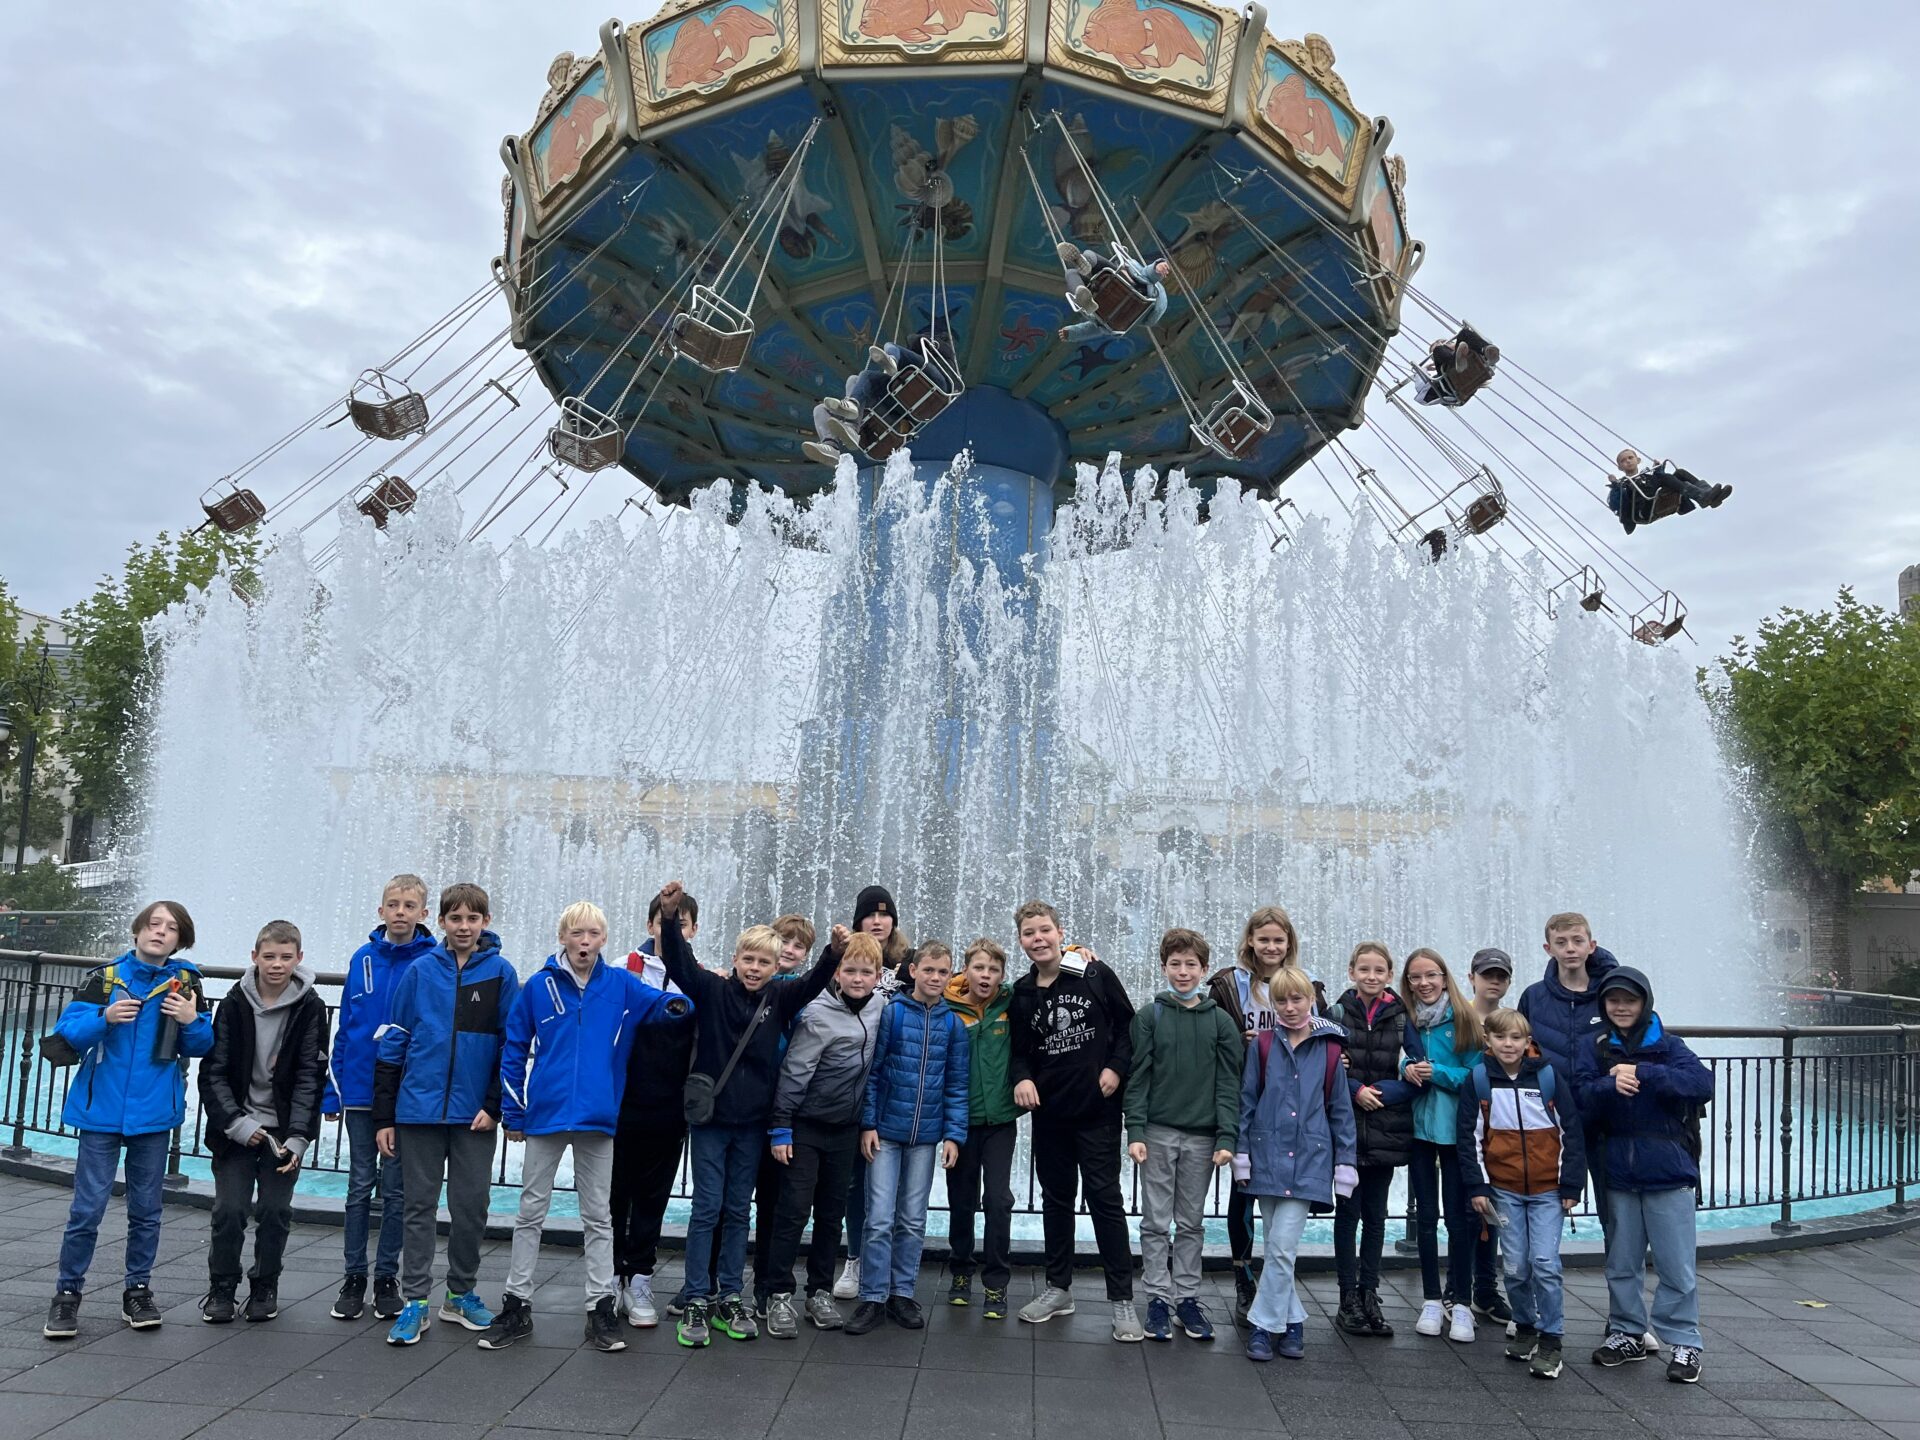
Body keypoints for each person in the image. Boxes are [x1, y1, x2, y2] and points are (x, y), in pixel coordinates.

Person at [483, 902, 692, 1354]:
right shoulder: (539, 987)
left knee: (599, 1216)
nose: (584, 941)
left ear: (603, 940)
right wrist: (514, 1112)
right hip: (546, 1115)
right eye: (577, 933)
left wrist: (681, 1002)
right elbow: (514, 1049)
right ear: (563, 937)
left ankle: (599, 1306)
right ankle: (517, 1303)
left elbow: (663, 1003)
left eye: (593, 934)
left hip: (599, 1117)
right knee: (530, 1212)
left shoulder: (620, 984)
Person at [653, 880, 839, 1348]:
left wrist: (835, 952)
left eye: (764, 962)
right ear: (735, 959)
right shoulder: (711, 989)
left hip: (753, 1123)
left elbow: (815, 981)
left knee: (738, 1210)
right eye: (748, 960)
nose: (755, 969)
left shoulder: (780, 998)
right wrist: (672, 915)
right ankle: (698, 1296)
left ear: (777, 968)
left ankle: (731, 1295)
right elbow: (677, 961)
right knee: (707, 1209)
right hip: (713, 1122)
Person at [43, 901, 212, 1340]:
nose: (160, 932)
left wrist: (192, 1021)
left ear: (181, 939)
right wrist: (105, 1017)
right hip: (101, 1113)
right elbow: (67, 1035)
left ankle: (137, 1291)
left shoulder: (187, 982)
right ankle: (67, 1295)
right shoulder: (104, 979)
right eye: (153, 924)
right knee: (86, 1209)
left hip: (153, 1116)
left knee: (147, 1211)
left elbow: (203, 1043)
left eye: (171, 928)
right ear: (137, 932)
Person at [373, 883, 521, 1345]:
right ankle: (415, 1301)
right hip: (417, 1111)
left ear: (486, 922)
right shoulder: (420, 971)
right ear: (439, 922)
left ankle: (460, 1293)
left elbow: (508, 1047)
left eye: (472, 919)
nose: (463, 927)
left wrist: (494, 1106)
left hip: (474, 1116)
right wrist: (384, 1116)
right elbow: (393, 1040)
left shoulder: (501, 973)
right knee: (417, 1207)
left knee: (471, 1207)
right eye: (454, 918)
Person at [1009, 900, 1141, 1340]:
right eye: (1029, 933)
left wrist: (1116, 1068)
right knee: (1056, 1200)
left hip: (1098, 1111)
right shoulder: (1023, 991)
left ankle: (1122, 1301)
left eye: (1044, 930)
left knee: (1106, 1201)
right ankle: (1058, 1288)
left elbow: (1127, 1027)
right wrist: (1023, 1078)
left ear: (1060, 931)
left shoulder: (1092, 973)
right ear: (1022, 940)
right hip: (1050, 1114)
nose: (1038, 939)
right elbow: (1019, 1051)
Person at [1579, 967, 1712, 1384]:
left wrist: (1644, 1073)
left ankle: (1685, 1341)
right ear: (1603, 1004)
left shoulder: (1669, 1046)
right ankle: (1627, 1331)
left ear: (1644, 1003)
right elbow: (1579, 1094)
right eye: (1613, 1000)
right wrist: (1608, 1084)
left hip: (1669, 1170)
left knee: (1676, 1264)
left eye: (1629, 1000)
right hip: (1617, 1169)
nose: (1621, 1007)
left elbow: (1701, 1084)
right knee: (1622, 1261)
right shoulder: (1595, 1046)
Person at [199, 919, 329, 1324]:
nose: (276, 964)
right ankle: (221, 1286)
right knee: (230, 1210)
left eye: (285, 957)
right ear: (254, 957)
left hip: (283, 1134)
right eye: (269, 956)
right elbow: (213, 1072)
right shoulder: (234, 1003)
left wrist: (299, 1137)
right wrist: (235, 1123)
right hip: (236, 1129)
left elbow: (311, 1076)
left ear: (299, 959)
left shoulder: (311, 1008)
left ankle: (264, 1285)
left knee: (275, 1211)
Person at [323, 873, 436, 1323]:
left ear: (424, 914)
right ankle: (354, 1277)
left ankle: (387, 1276)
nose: (401, 912)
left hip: (406, 1096)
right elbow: (347, 1028)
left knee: (396, 1189)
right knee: (357, 1186)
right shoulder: (363, 959)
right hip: (360, 1092)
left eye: (410, 905)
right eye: (394, 904)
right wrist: (334, 1093)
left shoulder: (433, 962)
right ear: (381, 910)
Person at [762, 935, 884, 1338]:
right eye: (850, 970)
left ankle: (819, 1292)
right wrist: (781, 1127)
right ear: (836, 972)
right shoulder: (817, 1013)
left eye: (866, 972)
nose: (857, 978)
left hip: (845, 1130)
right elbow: (794, 1073)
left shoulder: (881, 1007)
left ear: (878, 976)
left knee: (832, 1216)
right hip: (806, 1125)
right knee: (794, 1210)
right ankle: (778, 1294)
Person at [1236, 966, 1357, 1362]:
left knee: (1283, 1248)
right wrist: (1242, 1153)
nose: (1290, 1007)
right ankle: (1293, 1320)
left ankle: (1262, 1325)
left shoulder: (1330, 1050)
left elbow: (1341, 1111)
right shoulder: (1263, 1045)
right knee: (1275, 1248)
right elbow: (1247, 1102)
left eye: (1297, 999)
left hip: (1309, 1160)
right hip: (1267, 1157)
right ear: (1273, 1005)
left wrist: (1345, 1163)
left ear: (1311, 1000)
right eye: (1281, 1001)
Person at [846, 944, 969, 1335]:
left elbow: (957, 1083)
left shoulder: (953, 1024)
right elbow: (874, 1072)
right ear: (913, 971)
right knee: (879, 1217)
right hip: (885, 1133)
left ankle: (901, 1293)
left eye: (943, 972)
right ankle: (872, 1296)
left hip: (925, 1137)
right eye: (929, 970)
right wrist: (868, 1124)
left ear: (950, 977)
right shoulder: (893, 1013)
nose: (935, 978)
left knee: (913, 1220)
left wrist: (953, 1134)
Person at [1126, 927, 1241, 1343]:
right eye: (1175, 964)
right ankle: (1158, 1298)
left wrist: (1227, 1137)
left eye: (1191, 964)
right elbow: (1137, 1078)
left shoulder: (1221, 1023)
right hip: (1156, 1132)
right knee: (1155, 1221)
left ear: (1204, 969)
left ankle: (1187, 1299)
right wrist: (1135, 1129)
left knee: (1191, 1223)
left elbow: (1229, 1084)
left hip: (1202, 1138)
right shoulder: (1149, 1016)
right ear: (1163, 967)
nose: (1183, 971)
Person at [1458, 1008, 1586, 1379]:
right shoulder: (1480, 1079)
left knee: (1545, 1263)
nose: (1509, 1045)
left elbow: (1571, 1132)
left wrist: (1571, 1184)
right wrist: (1478, 1187)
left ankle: (1551, 1339)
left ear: (1527, 1041)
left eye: (1516, 1038)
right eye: (1501, 1038)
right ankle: (1526, 1327)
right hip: (1504, 1191)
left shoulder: (1546, 1076)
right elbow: (1470, 1138)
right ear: (1489, 1041)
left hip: (1548, 1191)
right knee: (1515, 1267)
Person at [1206, 905, 1314, 1324]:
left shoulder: (1305, 986)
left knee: (1281, 1193)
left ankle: (1275, 1279)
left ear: (1289, 944)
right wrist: (1238, 1039)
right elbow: (1211, 1036)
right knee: (1242, 1189)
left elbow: (1317, 1033)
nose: (1271, 946)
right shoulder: (1229, 985)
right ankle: (1243, 1277)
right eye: (1263, 938)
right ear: (1250, 940)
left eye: (1278, 940)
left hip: (1289, 1105)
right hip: (1242, 1099)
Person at [613, 888, 700, 1327]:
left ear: (694, 930)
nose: (673, 929)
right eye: (667, 921)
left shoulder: (701, 979)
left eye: (682, 923)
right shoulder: (620, 971)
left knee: (652, 1195)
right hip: (620, 1104)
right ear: (651, 925)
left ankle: (641, 1275)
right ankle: (612, 1277)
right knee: (613, 1196)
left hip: (669, 1108)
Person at [1327, 941, 1421, 1340]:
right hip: (1347, 1128)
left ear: (1388, 974)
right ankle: (1347, 1297)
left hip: (1385, 1127)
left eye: (1378, 970)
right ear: (1351, 972)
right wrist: (1353, 1089)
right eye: (1363, 969)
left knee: (1377, 1218)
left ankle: (1370, 1293)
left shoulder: (1402, 1017)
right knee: (1347, 1216)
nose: (1370, 976)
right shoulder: (1334, 1012)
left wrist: (1379, 1093)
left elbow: (1417, 1074)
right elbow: (1324, 1065)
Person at [1397, 948, 1487, 1343]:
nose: (1424, 984)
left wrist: (1438, 1073)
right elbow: (1392, 1059)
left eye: (1431, 975)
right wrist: (1405, 1069)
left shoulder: (1464, 1017)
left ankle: (1462, 1302)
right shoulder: (1405, 1019)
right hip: (1417, 1127)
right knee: (1427, 1218)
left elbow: (1478, 1073)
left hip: (1456, 1132)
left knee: (1460, 1218)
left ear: (1444, 975)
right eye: (1415, 978)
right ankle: (1431, 1298)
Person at [832, 885, 914, 1301]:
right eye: (870, 915)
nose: (878, 921)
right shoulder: (844, 963)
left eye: (885, 915)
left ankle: (890, 1264)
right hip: (849, 1089)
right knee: (854, 1182)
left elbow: (958, 981)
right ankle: (855, 1258)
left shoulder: (910, 965)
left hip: (893, 1089)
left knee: (890, 1185)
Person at [1518, 913, 1621, 1238]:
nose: (1570, 949)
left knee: (1614, 1216)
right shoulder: (1534, 997)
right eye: (1561, 943)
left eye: (1578, 941)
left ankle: (1619, 1285)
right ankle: (1540, 1282)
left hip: (1604, 1119)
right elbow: (1520, 1051)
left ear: (1592, 946)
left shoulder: (1611, 995)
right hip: (1548, 1123)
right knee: (1541, 1215)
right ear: (1548, 948)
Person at [943, 938, 1016, 1317]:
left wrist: (1079, 952)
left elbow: (1050, 973)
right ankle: (960, 1270)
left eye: (993, 970)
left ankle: (996, 1282)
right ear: (965, 970)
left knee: (999, 1200)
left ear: (1002, 976)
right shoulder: (947, 1007)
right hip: (961, 1121)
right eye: (979, 968)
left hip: (1001, 1121)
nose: (985, 976)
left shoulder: (1010, 1002)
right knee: (962, 1200)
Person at [1465, 947, 1516, 1320]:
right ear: (1472, 978)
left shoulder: (1512, 1023)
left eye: (1500, 976)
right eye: (1487, 975)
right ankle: (1463, 1288)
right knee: (1468, 1209)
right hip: (1464, 1125)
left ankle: (1485, 1289)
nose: (1493, 982)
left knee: (1490, 1210)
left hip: (1502, 1129)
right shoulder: (1462, 1017)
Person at [1055, 243, 1171, 344]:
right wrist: (1072, 333)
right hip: (1111, 292)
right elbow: (1097, 328)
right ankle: (1082, 290)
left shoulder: (1149, 287)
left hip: (1123, 283)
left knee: (1084, 259)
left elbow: (1146, 275)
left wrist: (1156, 270)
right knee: (1073, 272)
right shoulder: (1122, 320)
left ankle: (1081, 280)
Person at [1607, 449, 1731, 535]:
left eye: (1630, 458)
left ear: (1638, 460)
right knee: (1664, 477)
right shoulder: (1623, 485)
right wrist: (1615, 485)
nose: (1628, 461)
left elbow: (1656, 482)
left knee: (1680, 473)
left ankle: (1710, 496)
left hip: (1654, 495)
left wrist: (1658, 469)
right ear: (1620, 467)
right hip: (1644, 509)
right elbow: (1617, 505)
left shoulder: (1647, 476)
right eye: (1623, 461)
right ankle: (1703, 497)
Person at [1414, 323, 1500, 405]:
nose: (1442, 345)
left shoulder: (1469, 352)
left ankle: (1486, 352)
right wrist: (1423, 369)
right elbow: (1421, 391)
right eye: (1439, 345)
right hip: (1451, 379)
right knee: (1438, 351)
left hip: (1471, 366)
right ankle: (1457, 364)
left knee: (1465, 333)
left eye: (1446, 342)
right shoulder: (1440, 370)